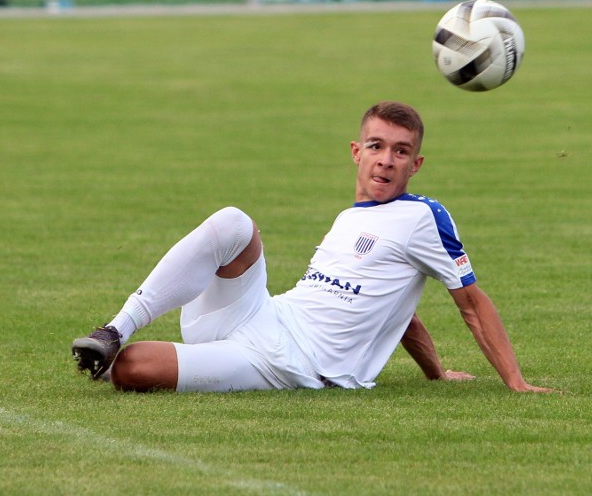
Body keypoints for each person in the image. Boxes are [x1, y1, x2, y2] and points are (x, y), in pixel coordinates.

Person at [72, 101, 552, 394]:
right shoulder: (349, 217)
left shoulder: (425, 215)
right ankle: (114, 328)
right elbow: (395, 312)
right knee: (234, 222)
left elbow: (470, 302)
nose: (386, 161)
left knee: (131, 370)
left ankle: (123, 353)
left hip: (288, 363)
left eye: (400, 151)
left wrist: (514, 380)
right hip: (263, 314)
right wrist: (438, 373)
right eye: (377, 146)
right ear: (356, 151)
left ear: (416, 163)